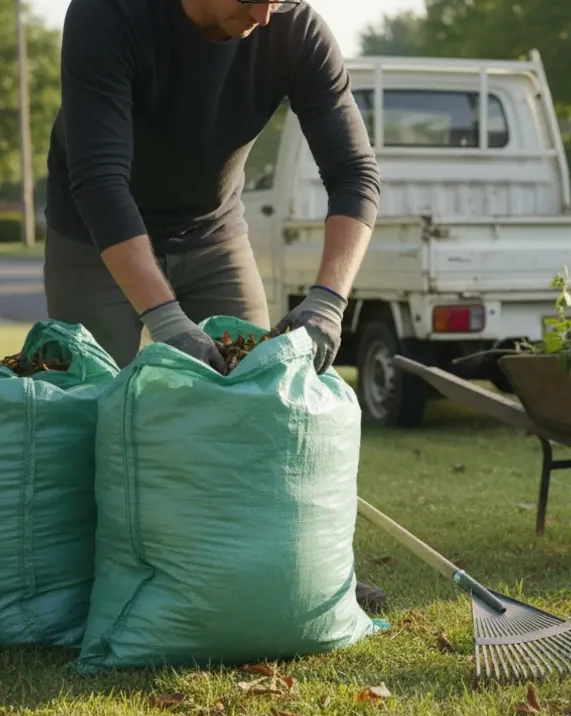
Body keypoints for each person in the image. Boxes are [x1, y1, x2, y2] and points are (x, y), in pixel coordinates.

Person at [41, 0, 387, 614]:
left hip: (213, 233)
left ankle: (300, 573)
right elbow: (99, 179)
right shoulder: (107, 14)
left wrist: (329, 301)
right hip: (96, 237)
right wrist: (164, 318)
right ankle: (76, 590)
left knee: (259, 412)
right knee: (85, 412)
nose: (262, 12)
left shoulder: (293, 26)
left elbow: (355, 171)